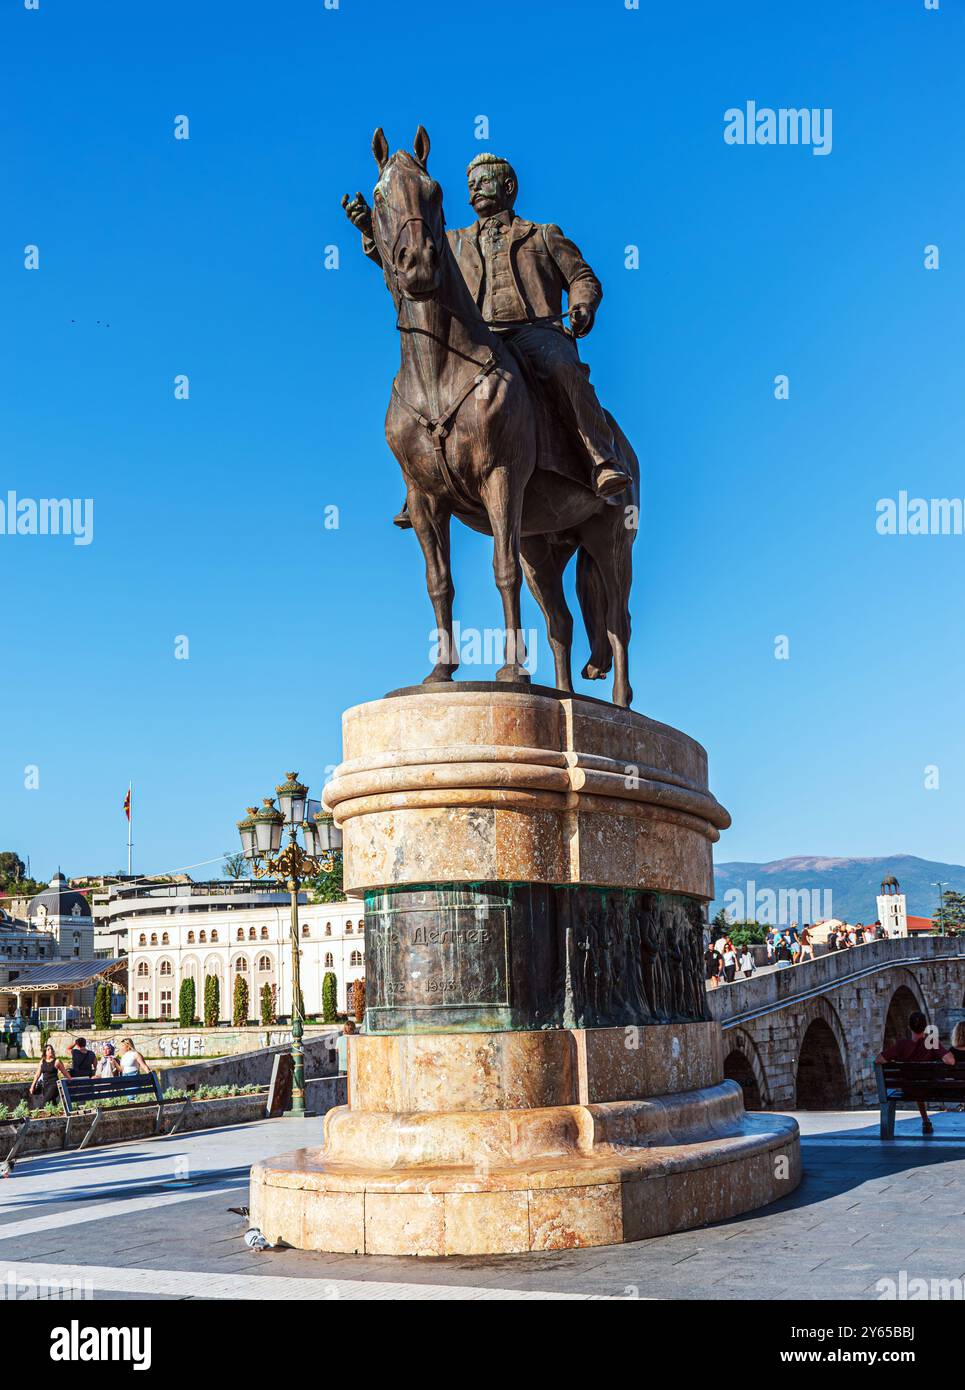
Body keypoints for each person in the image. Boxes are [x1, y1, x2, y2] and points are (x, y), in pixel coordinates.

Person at [344, 151, 632, 528]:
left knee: (563, 368)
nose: (474, 189)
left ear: (509, 187)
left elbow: (582, 278)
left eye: (483, 180)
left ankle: (601, 457)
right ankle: (423, 480)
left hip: (535, 333)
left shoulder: (544, 234)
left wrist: (582, 304)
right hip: (481, 341)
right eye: (470, 185)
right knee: (431, 389)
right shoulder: (451, 242)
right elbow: (407, 260)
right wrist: (370, 231)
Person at [876, 1010, 940, 1135]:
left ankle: (925, 1120)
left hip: (909, 1089)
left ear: (909, 1027)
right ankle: (926, 1121)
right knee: (921, 1082)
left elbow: (878, 1060)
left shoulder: (902, 1045)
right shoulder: (931, 1044)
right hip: (931, 1088)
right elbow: (948, 1059)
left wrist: (895, 1058)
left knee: (916, 1082)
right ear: (925, 1027)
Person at [28, 1043, 68, 1109]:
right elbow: (37, 1075)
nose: (51, 1050)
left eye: (51, 1049)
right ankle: (55, 1115)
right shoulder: (42, 1062)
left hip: (54, 1085)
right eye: (48, 1049)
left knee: (45, 1102)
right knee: (52, 1103)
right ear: (45, 1052)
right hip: (45, 1085)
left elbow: (65, 1072)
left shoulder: (57, 1061)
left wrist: (71, 1079)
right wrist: (32, 1086)